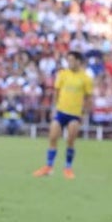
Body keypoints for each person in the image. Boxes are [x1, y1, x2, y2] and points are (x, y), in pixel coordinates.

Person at [33, 51, 93, 179]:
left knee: (70, 141)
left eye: (72, 60)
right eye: (68, 60)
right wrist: (54, 108)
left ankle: (68, 168)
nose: (69, 63)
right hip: (61, 111)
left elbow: (88, 98)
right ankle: (48, 167)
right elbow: (56, 92)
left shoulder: (85, 78)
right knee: (53, 138)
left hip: (75, 114)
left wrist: (84, 113)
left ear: (78, 61)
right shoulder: (62, 74)